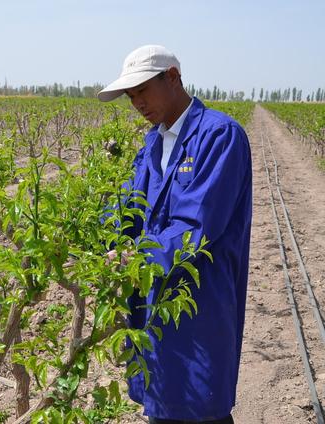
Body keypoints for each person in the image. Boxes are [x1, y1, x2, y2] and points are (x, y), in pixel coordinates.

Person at [98, 45, 252, 423]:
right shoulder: (153, 143)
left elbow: (195, 227)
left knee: (201, 404)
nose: (136, 103)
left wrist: (134, 258)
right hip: (152, 299)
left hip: (198, 300)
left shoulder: (219, 137)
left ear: (172, 77)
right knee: (162, 402)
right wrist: (104, 241)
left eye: (142, 91)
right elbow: (128, 210)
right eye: (130, 96)